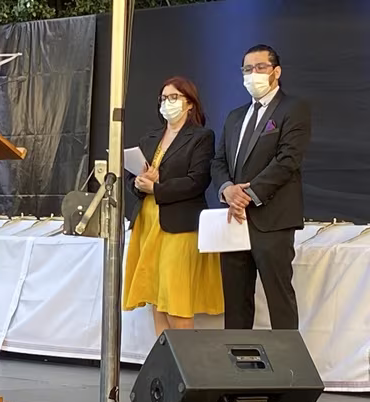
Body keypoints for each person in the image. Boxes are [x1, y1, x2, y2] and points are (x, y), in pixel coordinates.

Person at [211, 44, 311, 330]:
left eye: (260, 67)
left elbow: (287, 160)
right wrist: (227, 189)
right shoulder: (235, 116)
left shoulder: (294, 109)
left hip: (273, 220)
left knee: (279, 300)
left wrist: (248, 194)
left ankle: (286, 359)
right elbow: (219, 161)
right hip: (235, 221)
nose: (252, 74)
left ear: (276, 72)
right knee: (236, 303)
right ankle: (238, 356)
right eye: (247, 69)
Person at [123, 76, 224, 336]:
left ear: (190, 103)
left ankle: (185, 359)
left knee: (176, 300)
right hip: (148, 220)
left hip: (179, 225)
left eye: (174, 97)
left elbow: (197, 181)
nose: (167, 103)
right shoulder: (150, 138)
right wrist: (140, 184)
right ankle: (165, 356)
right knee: (156, 296)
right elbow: (131, 179)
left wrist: (157, 187)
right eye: (163, 98)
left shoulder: (201, 137)